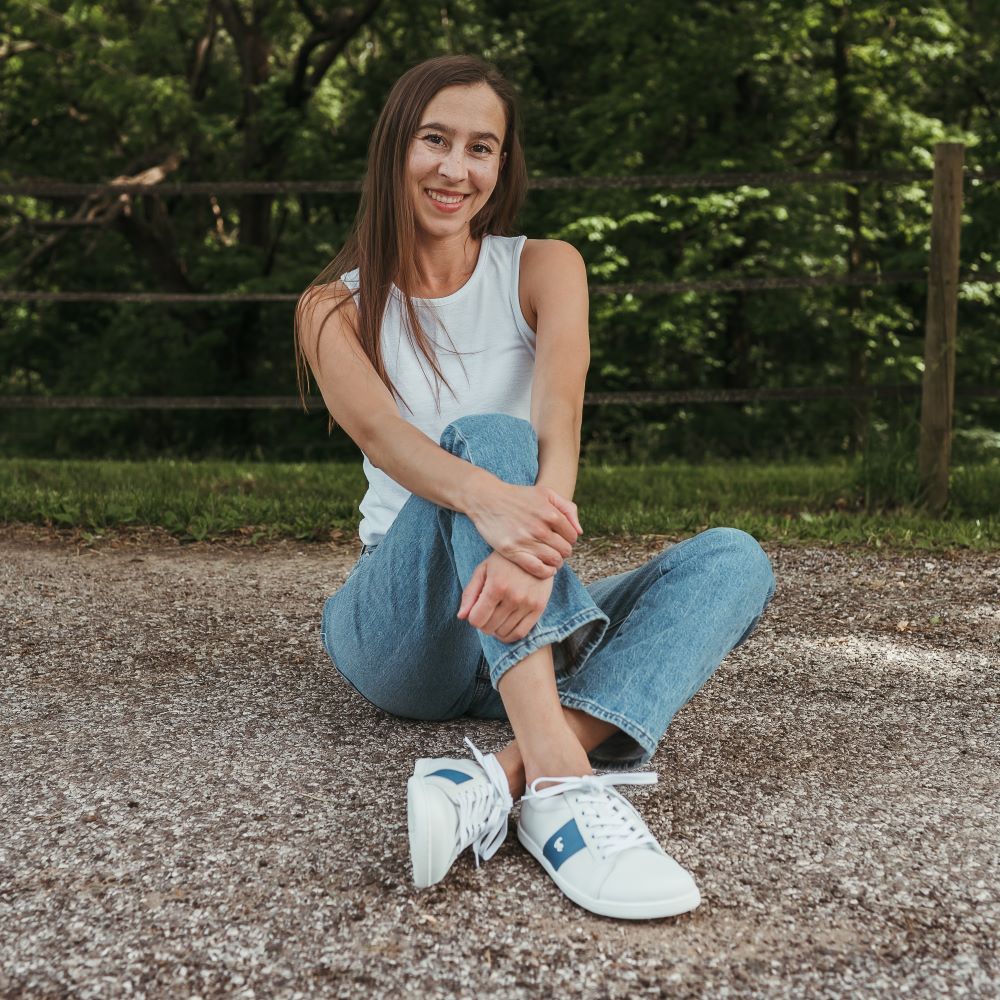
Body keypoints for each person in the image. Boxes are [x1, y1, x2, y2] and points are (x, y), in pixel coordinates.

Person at [294, 54, 776, 921]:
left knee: (734, 561)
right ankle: (560, 785)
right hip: (405, 629)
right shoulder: (333, 307)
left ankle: (501, 773)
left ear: (502, 166)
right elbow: (387, 440)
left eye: (482, 148)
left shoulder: (546, 267)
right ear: (395, 147)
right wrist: (495, 506)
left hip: (524, 604)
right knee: (489, 439)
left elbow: (562, 413)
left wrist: (534, 549)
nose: (456, 168)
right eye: (435, 140)